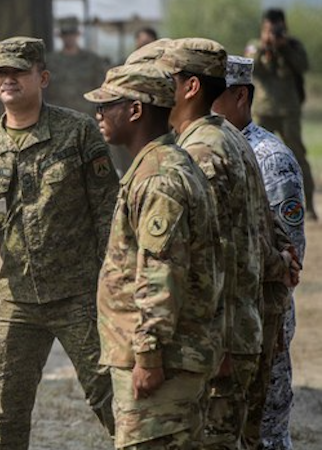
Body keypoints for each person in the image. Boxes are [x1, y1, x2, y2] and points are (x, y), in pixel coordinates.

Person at [0, 37, 117, 448]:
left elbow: (108, 208)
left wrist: (113, 276)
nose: (9, 79)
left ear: (43, 77)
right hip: (18, 298)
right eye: (2, 72)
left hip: (80, 294)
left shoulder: (78, 132)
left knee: (111, 398)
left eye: (19, 71)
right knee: (6, 414)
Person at [85, 63, 222, 450]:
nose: (98, 114)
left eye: (107, 105)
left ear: (135, 110)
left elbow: (161, 273)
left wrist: (148, 356)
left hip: (163, 363)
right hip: (171, 356)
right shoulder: (159, 166)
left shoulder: (159, 178)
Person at [157, 38, 273, 449]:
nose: (155, 88)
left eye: (166, 79)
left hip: (217, 341)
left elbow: (218, 252)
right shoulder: (225, 135)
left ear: (191, 88)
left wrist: (218, 347)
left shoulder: (203, 150)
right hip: (233, 332)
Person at [212, 55, 305, 450]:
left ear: (240, 96)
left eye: (212, 96)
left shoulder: (271, 158)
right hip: (217, 322)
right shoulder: (202, 148)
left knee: (264, 433)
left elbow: (289, 255)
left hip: (263, 321)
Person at [246, 8, 315, 221]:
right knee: (254, 157)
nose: (274, 33)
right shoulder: (254, 46)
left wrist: (285, 49)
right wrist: (266, 47)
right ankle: (252, 208)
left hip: (288, 111)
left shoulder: (293, 46)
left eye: (278, 29)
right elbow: (251, 67)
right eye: (270, 29)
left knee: (298, 157)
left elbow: (303, 65)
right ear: (263, 28)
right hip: (262, 111)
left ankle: (310, 207)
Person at [45, 16, 107, 117]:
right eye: (65, 33)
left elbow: (101, 90)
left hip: (86, 117)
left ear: (78, 34)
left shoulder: (92, 60)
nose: (69, 37)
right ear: (60, 35)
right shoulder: (50, 62)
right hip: (59, 118)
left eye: (72, 33)